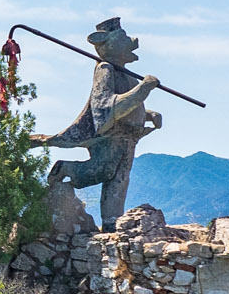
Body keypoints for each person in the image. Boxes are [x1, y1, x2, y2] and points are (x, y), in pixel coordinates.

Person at [31, 17, 165, 227]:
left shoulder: (127, 75)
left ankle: (112, 222)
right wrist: (143, 89)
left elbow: (129, 107)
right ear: (104, 43)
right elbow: (105, 107)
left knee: (120, 179)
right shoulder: (105, 69)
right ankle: (66, 169)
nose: (132, 42)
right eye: (123, 38)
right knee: (103, 170)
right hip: (111, 135)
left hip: (129, 137)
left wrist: (148, 114)